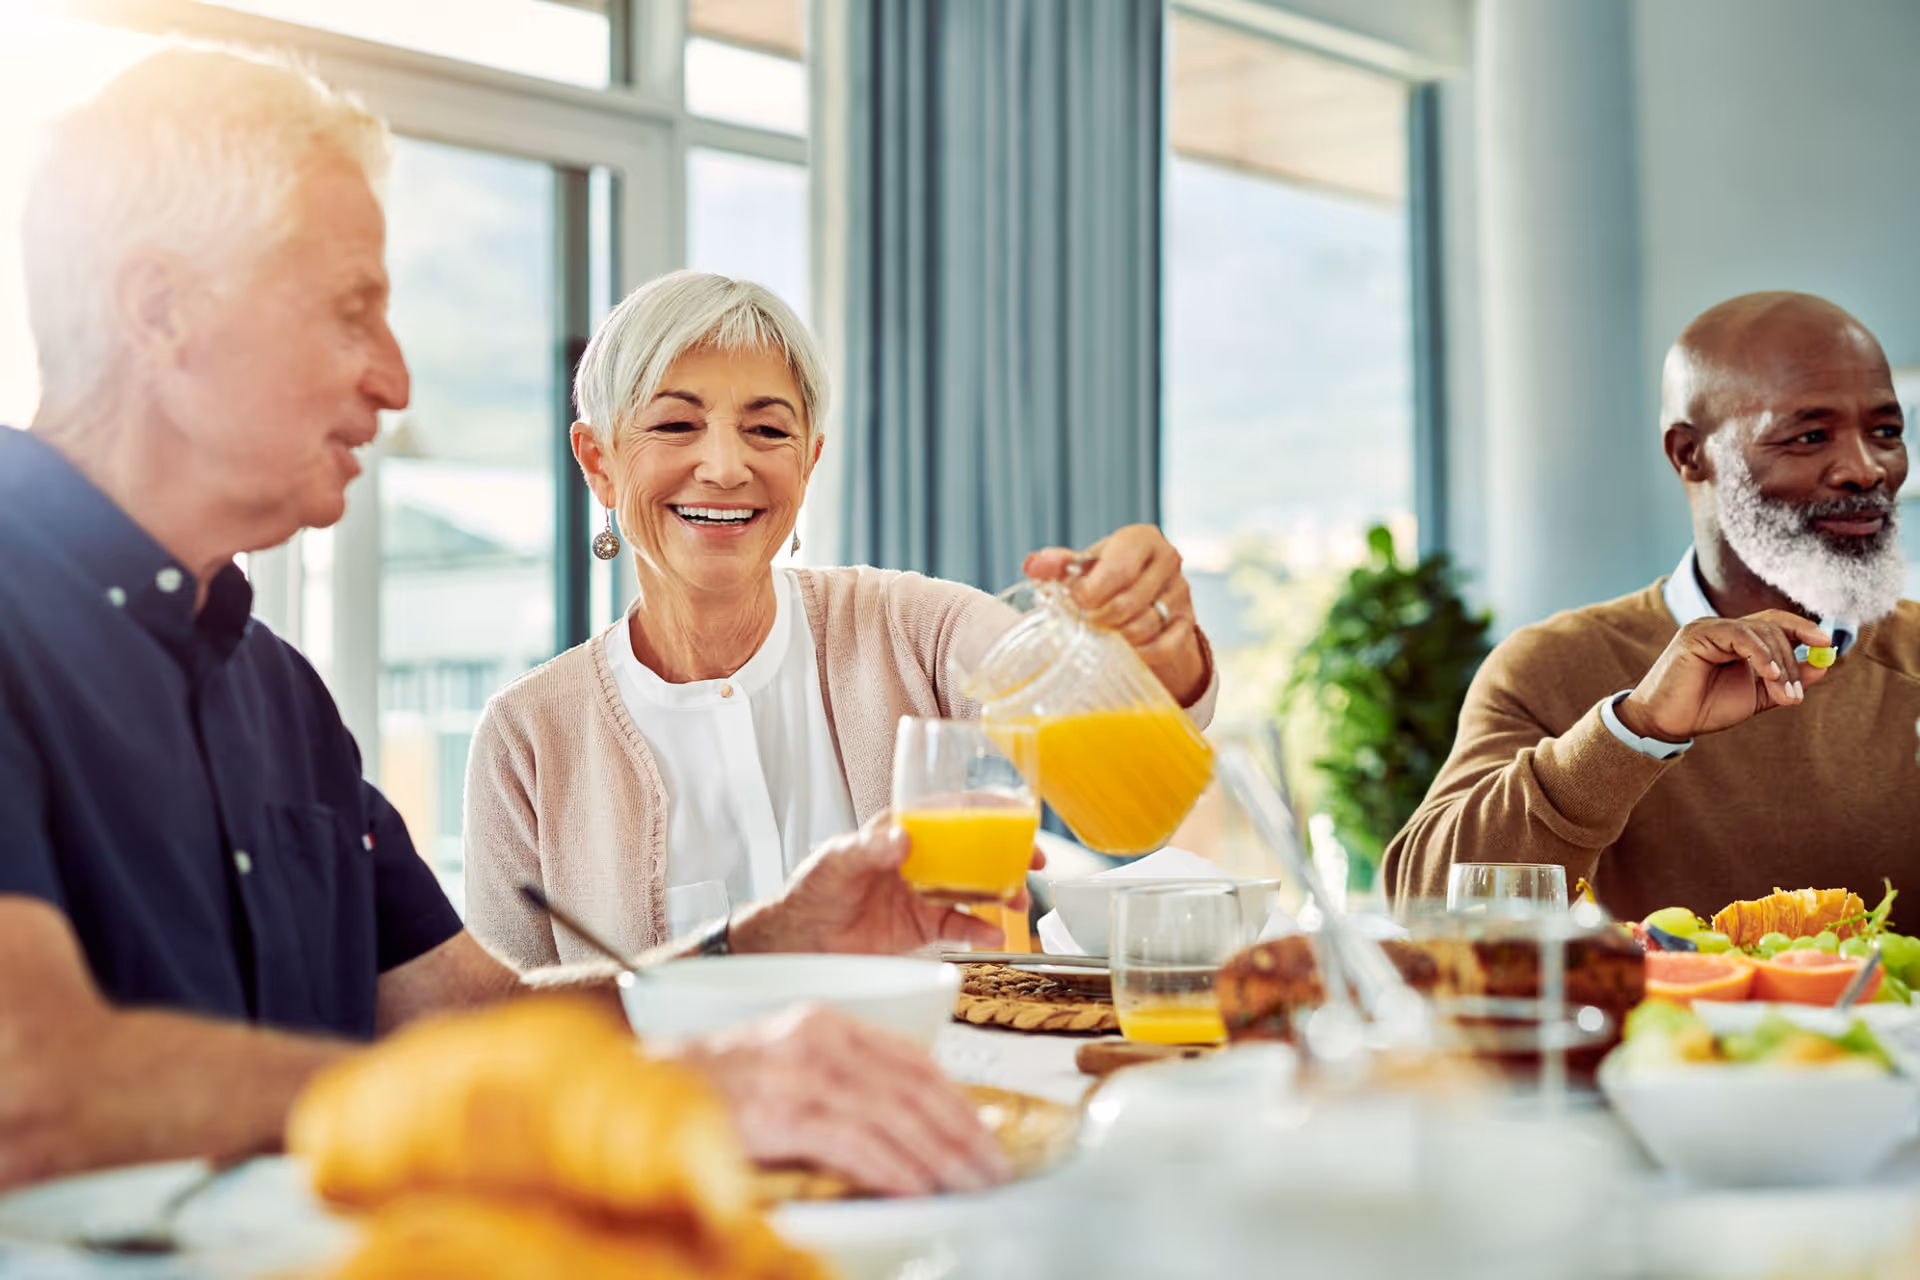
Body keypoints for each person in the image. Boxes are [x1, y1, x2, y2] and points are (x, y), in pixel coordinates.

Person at [0, 45, 1006, 1199]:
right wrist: (664, 1089)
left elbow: (464, 1022)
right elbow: (26, 1084)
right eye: (351, 310)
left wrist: (768, 940)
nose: (394, 378)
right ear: (160, 308)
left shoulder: (277, 696)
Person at [462, 269, 1219, 969]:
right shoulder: (526, 737)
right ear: (599, 462)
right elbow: (507, 1036)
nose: (726, 467)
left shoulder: (914, 628)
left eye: (767, 430)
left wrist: (1155, 644)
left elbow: (1128, 785)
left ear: (810, 460)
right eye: (674, 426)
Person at [1385, 292, 1920, 922]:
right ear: (1689, 454)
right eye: (1809, 436)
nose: (1867, 469)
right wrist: (1633, 732)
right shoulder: (1548, 666)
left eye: (1886, 432)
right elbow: (1426, 908)